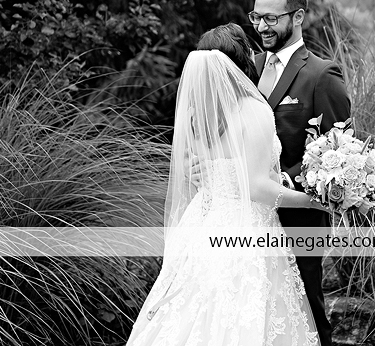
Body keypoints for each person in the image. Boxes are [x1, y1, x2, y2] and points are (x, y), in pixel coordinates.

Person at [126, 23, 325, 346]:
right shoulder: (254, 110)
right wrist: (312, 201)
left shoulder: (197, 114)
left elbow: (198, 168)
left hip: (203, 225)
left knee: (195, 313)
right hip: (247, 230)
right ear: (242, 61)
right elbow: (255, 187)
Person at [250, 0, 351, 346]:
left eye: (271, 18)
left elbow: (338, 148)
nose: (262, 26)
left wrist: (286, 180)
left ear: (297, 17)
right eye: (256, 17)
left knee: (306, 310)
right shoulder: (246, 67)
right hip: (248, 216)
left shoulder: (322, 75)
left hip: (299, 217)